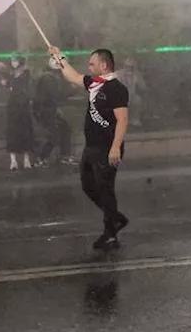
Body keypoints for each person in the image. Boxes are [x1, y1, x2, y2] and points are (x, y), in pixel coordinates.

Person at [48, 46, 130, 249]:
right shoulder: (94, 84)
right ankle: (115, 217)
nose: (88, 66)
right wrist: (61, 59)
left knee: (105, 188)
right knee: (88, 185)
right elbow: (73, 77)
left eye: (92, 63)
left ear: (104, 65)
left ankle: (110, 233)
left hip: (107, 147)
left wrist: (115, 148)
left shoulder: (116, 88)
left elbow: (122, 120)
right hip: (91, 146)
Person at [0, 53, 35, 170]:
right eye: (12, 61)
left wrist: (6, 76)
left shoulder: (25, 72)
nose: (14, 63)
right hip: (13, 106)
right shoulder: (11, 73)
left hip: (22, 105)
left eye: (15, 60)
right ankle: (13, 160)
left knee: (25, 131)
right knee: (12, 131)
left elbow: (17, 83)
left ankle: (26, 159)